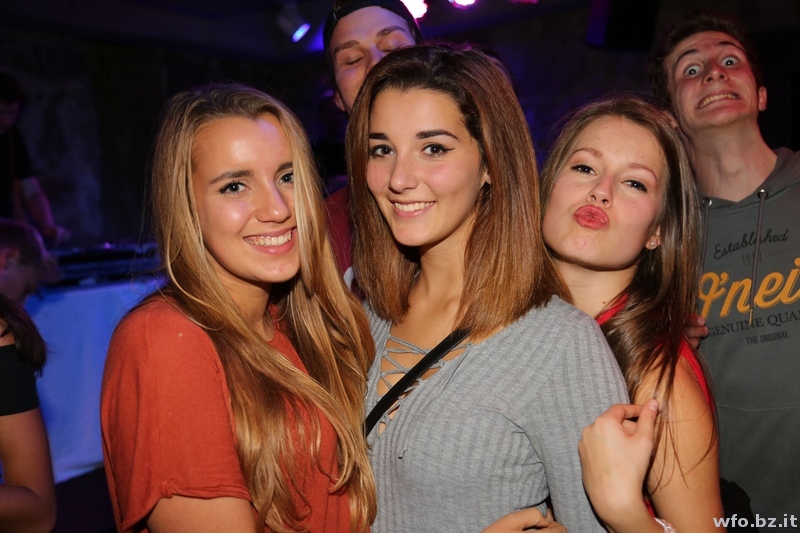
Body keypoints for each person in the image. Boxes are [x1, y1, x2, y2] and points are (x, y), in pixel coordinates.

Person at [346, 42, 627, 532]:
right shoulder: (364, 314)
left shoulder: (560, 346)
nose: (399, 178)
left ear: (490, 163)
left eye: (434, 148)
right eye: (382, 149)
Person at [100, 83, 376, 532]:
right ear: (188, 207)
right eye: (234, 186)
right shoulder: (165, 340)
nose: (278, 208)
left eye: (287, 177)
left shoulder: (305, 322)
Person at [540, 95, 722, 531]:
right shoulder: (507, 328)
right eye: (584, 168)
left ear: (657, 231)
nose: (600, 191)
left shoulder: (659, 381)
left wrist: (625, 513)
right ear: (547, 188)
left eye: (635, 183)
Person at [649, 8, 800, 520]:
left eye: (730, 61)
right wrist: (660, 345)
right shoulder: (657, 236)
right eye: (691, 69)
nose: (714, 72)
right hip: (733, 508)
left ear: (761, 94)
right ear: (671, 116)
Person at [322, 0, 423, 282]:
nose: (377, 62)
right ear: (337, 97)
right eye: (353, 59)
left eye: (392, 46)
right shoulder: (321, 229)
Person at [0, 222, 56, 533]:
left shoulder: (3, 337)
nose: (22, 308)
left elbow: (38, 511)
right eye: (26, 291)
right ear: (6, 258)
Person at [0, 72, 69, 245]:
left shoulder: (13, 138)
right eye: (1, 112)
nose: (6, 119)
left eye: (12, 113)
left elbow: (31, 192)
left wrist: (47, 224)